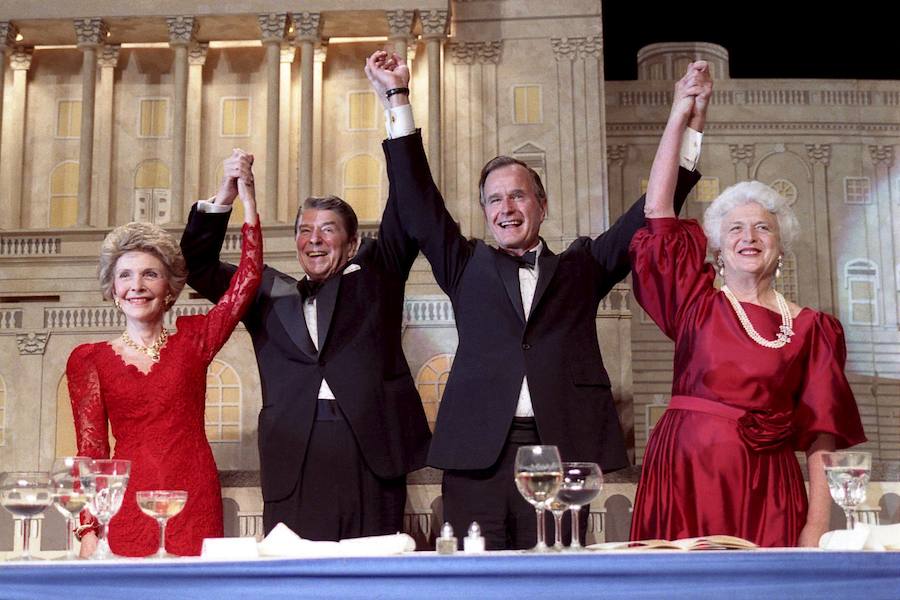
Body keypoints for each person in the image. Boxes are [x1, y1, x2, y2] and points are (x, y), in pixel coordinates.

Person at [366, 50, 705, 549]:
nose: (507, 208)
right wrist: (397, 98)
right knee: (474, 586)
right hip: (476, 458)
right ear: (483, 212)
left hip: (561, 455)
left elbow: (651, 212)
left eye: (519, 196)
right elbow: (417, 199)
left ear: (541, 205)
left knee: (556, 580)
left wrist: (686, 121)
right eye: (495, 199)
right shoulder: (464, 264)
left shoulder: (581, 267)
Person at [628, 63, 866, 547]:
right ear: (718, 245)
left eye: (763, 227)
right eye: (735, 228)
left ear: (781, 245)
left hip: (768, 490)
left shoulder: (813, 329)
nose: (749, 236)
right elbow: (658, 210)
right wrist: (682, 117)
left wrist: (815, 529)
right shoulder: (694, 304)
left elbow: (823, 442)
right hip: (683, 477)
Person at [179, 149, 431, 541]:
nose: (314, 240)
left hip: (370, 452)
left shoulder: (376, 279)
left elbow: (406, 209)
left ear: (352, 244)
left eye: (328, 229)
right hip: (293, 456)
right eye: (305, 230)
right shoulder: (265, 291)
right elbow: (196, 265)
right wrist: (225, 197)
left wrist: (397, 113)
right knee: (293, 576)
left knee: (370, 574)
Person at [67, 168, 262, 557]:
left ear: (169, 288)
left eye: (149, 274)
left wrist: (247, 201)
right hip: (124, 502)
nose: (136, 285)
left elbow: (248, 280)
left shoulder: (196, 339)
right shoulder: (88, 360)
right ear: (113, 289)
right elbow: (90, 452)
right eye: (125, 275)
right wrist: (87, 527)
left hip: (194, 494)